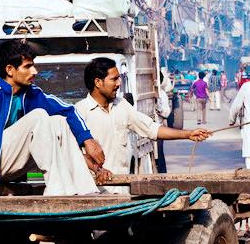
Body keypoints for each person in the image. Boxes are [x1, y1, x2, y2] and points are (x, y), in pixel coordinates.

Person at [0, 41, 103, 195]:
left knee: (59, 121)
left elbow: (68, 110)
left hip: (11, 166)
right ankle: (57, 191)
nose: (34, 71)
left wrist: (88, 140)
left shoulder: (32, 94)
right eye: (28, 66)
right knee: (39, 116)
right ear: (10, 70)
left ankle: (86, 190)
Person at [75, 58, 210, 187]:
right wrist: (97, 170)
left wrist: (188, 134)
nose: (119, 83)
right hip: (94, 192)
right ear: (98, 82)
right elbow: (72, 153)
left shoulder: (121, 105)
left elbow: (151, 129)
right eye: (114, 79)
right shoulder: (79, 112)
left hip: (122, 189)